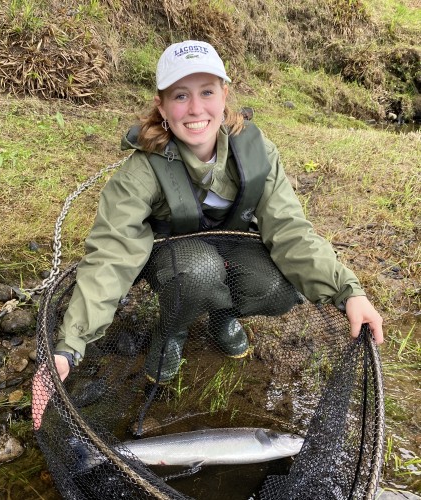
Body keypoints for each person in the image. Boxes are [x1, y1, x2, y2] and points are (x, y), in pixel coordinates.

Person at [32, 40, 383, 429]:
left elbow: (291, 231)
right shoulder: (141, 171)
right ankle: (171, 329)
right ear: (162, 107)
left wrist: (349, 292)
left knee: (281, 287)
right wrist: (68, 346)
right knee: (198, 272)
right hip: (175, 257)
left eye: (207, 92)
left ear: (224, 95)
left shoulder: (256, 151)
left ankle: (222, 319)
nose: (196, 109)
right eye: (181, 96)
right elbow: (111, 254)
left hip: (234, 249)